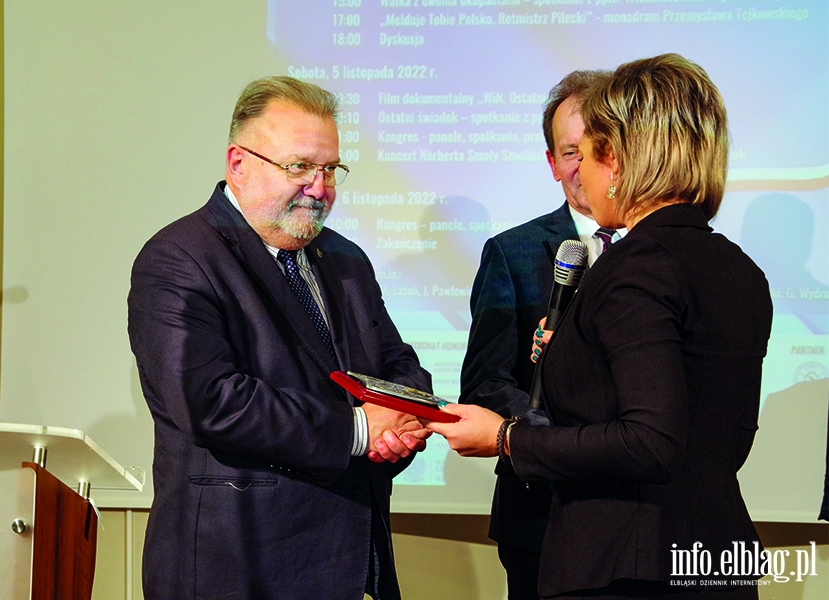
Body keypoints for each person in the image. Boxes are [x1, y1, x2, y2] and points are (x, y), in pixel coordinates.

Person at [431, 54, 772, 598]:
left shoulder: (636, 264)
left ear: (616, 159)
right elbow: (727, 435)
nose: (581, 172)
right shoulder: (738, 267)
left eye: (586, 153)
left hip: (625, 565)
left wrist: (504, 437)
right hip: (713, 556)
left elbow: (650, 441)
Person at [127, 75, 432, 600]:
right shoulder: (180, 257)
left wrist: (402, 421)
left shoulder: (345, 258)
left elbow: (397, 363)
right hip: (236, 568)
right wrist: (358, 430)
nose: (319, 187)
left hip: (350, 560)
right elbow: (211, 403)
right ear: (238, 164)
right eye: (299, 167)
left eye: (330, 169)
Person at [459, 69, 612, 600]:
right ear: (552, 164)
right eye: (570, 151)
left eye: (600, 146)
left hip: (643, 515)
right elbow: (484, 382)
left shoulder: (664, 253)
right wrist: (566, 436)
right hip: (541, 513)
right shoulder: (513, 252)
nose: (585, 165)